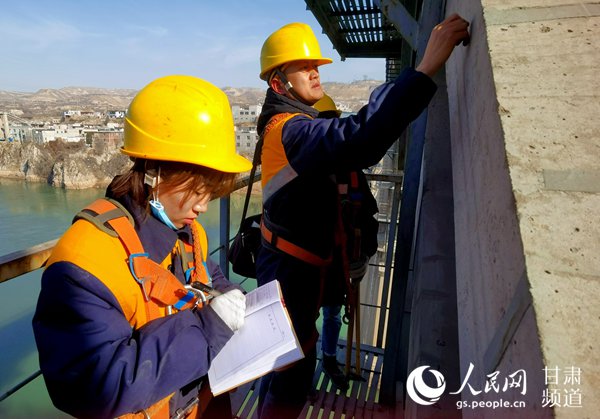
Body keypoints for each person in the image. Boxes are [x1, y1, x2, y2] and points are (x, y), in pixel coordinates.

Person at [254, 14, 470, 418]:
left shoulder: (292, 124)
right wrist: (423, 70)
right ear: (278, 84)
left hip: (291, 264)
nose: (315, 72)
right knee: (292, 366)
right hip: (289, 271)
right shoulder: (291, 130)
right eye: (303, 67)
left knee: (284, 354)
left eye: (315, 65)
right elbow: (358, 139)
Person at [32, 75, 252, 419]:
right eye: (196, 189)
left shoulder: (188, 232)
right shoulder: (83, 266)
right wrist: (209, 329)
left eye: (210, 191)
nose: (203, 205)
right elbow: (93, 386)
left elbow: (207, 277)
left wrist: (233, 298)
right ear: (153, 171)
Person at [312, 94, 379, 392]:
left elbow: (366, 217)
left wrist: (362, 254)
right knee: (329, 312)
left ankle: (314, 361)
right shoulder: (349, 169)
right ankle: (325, 359)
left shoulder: (308, 166)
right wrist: (363, 255)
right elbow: (368, 216)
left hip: (319, 259)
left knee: (312, 313)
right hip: (335, 260)